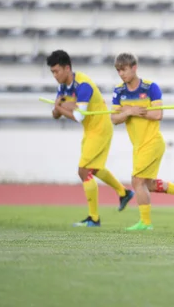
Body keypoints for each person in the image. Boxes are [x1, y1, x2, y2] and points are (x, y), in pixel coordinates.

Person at [46, 50, 134, 227]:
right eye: (52, 72)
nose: (55, 75)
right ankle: (124, 193)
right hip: (91, 130)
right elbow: (56, 113)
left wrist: (60, 107)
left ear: (67, 68)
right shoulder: (63, 86)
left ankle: (94, 218)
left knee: (83, 170)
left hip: (100, 128)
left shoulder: (83, 84)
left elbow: (79, 116)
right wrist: (58, 109)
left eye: (56, 71)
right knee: (94, 169)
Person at [111, 53, 174, 231]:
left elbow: (158, 114)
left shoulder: (150, 88)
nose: (121, 74)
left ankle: (146, 223)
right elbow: (114, 118)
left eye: (124, 70)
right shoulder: (119, 91)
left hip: (152, 142)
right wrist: (128, 112)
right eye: (118, 71)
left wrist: (131, 111)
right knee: (146, 184)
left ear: (134, 68)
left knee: (137, 182)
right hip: (138, 146)